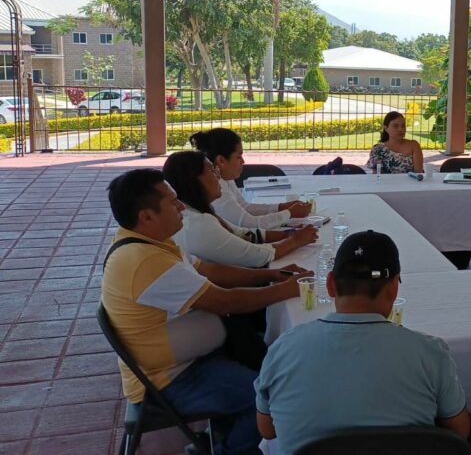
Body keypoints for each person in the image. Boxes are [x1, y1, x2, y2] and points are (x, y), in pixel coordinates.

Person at [101, 169, 314, 455]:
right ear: (147, 216)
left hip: (189, 362)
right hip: (169, 380)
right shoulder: (144, 261)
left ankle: (221, 439)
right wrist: (287, 290)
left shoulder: (152, 242)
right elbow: (225, 302)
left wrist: (272, 275)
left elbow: (210, 271)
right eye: (172, 202)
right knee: (270, 398)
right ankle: (227, 449)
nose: (181, 207)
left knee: (269, 371)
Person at [254, 231, 471, 455]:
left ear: (330, 284)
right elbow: (459, 430)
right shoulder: (430, 353)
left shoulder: (283, 349)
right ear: (393, 289)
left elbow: (267, 429)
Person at [163, 151, 317, 268]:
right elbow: (256, 256)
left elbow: (243, 233)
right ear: (194, 180)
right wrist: (294, 240)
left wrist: (289, 233)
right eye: (212, 171)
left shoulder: (199, 211)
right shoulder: (198, 223)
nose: (218, 177)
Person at [191, 128, 312, 229]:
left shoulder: (224, 177)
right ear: (221, 160)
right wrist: (289, 213)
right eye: (238, 157)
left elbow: (244, 207)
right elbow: (248, 224)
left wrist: (281, 207)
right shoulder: (215, 187)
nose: (243, 161)